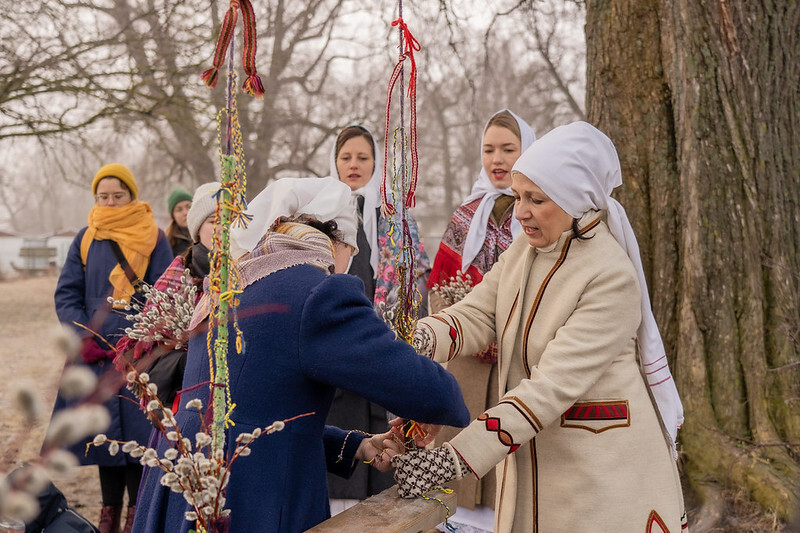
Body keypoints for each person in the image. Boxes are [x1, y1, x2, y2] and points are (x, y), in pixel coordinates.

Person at [394, 122, 687, 532]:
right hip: (535, 464)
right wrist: (419, 339)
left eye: (536, 199)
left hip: (599, 479)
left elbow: (548, 389)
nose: (520, 212)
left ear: (574, 199)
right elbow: (478, 313)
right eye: (517, 197)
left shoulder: (610, 276)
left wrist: (453, 459)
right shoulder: (524, 249)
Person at [132, 177, 469, 533]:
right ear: (336, 240)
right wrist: (437, 403)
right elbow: (428, 391)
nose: (346, 267)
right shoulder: (316, 292)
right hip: (250, 496)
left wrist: (355, 445)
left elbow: (252, 414)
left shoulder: (231, 281)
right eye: (350, 255)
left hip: (187, 484)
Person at [48, 163, 174, 533]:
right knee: (103, 440)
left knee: (138, 436)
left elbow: (164, 293)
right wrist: (83, 337)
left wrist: (142, 340)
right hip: (95, 359)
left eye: (118, 195)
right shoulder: (86, 237)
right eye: (103, 196)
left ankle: (136, 516)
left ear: (131, 195)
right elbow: (67, 292)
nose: (111, 202)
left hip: (138, 359)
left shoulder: (154, 236)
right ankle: (107, 517)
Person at [426, 109, 535, 527]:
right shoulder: (466, 215)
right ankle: (460, 520)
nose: (498, 158)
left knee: (509, 446)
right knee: (463, 439)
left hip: (518, 359)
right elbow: (439, 284)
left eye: (509, 149)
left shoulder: (538, 212)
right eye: (489, 149)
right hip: (468, 360)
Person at [325, 125, 432, 509]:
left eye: (363, 157)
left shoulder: (395, 216)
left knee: (382, 471)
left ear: (377, 162)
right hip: (334, 358)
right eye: (346, 157)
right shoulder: (319, 212)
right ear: (334, 162)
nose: (354, 165)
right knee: (339, 478)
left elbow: (414, 283)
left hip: (379, 355)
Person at [113, 182, 220, 409]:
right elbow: (147, 355)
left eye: (230, 221)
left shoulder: (256, 270)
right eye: (213, 221)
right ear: (198, 229)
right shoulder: (180, 274)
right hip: (189, 403)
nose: (222, 228)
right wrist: (187, 362)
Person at [165, 188, 193, 256]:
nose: (185, 213)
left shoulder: (207, 235)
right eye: (179, 210)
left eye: (188, 207)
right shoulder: (168, 244)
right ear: (173, 216)